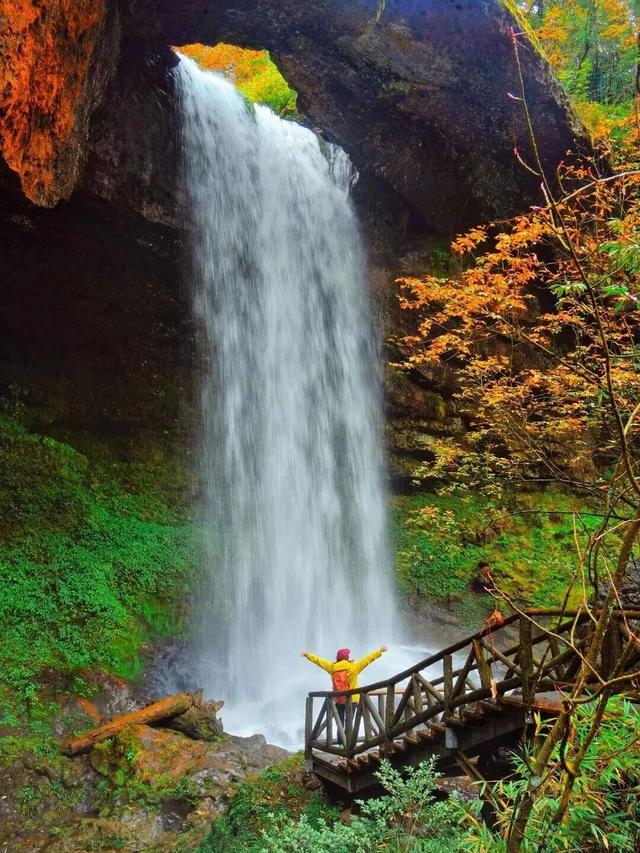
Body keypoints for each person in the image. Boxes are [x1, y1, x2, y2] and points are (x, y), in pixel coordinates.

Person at [301, 645, 388, 726]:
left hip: (339, 699)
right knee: (349, 722)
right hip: (352, 699)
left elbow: (319, 661)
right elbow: (368, 659)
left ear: (337, 658)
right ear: (347, 657)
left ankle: (341, 738)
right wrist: (380, 651)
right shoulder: (354, 667)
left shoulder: (332, 667)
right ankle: (348, 737)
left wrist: (307, 655)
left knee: (340, 723)